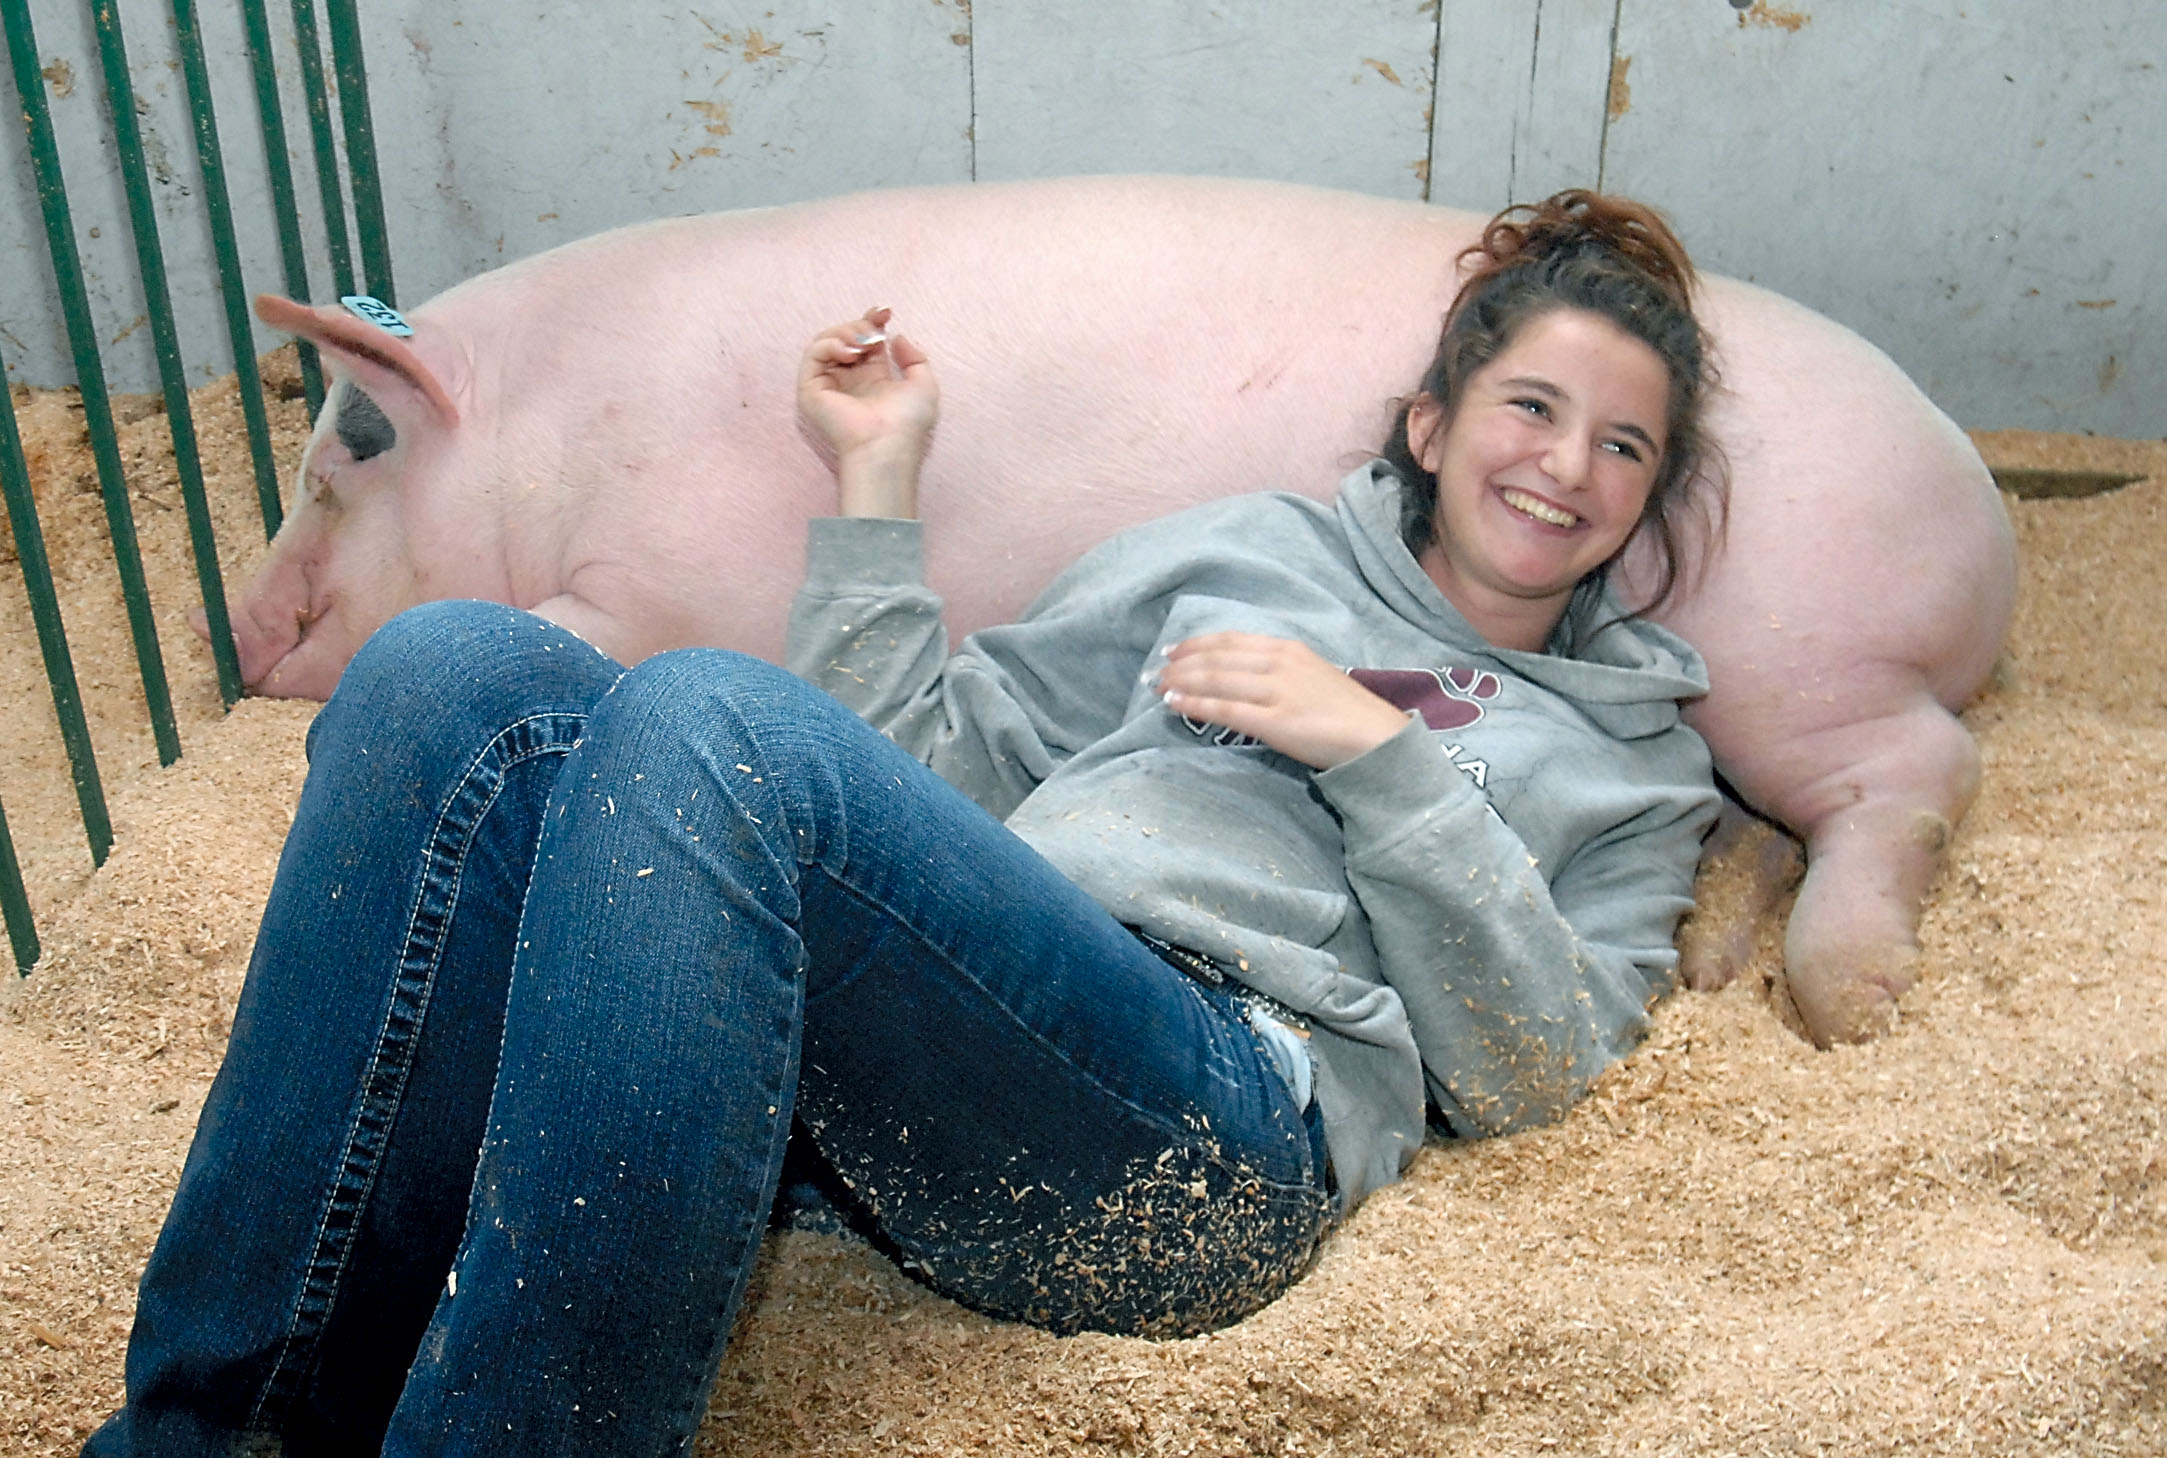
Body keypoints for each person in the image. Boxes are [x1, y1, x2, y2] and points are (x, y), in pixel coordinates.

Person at [87, 189, 1723, 1457]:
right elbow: (931, 768)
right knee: (450, 671)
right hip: (976, 1018)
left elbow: (1533, 1060)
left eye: (1624, 443)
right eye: (1531, 407)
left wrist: (1382, 756)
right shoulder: (1232, 556)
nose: (1568, 464)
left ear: (1648, 499)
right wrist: (878, 485)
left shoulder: (1637, 765)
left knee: (701, 714)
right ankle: (218, 1424)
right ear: (1433, 427)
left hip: (1217, 1130)